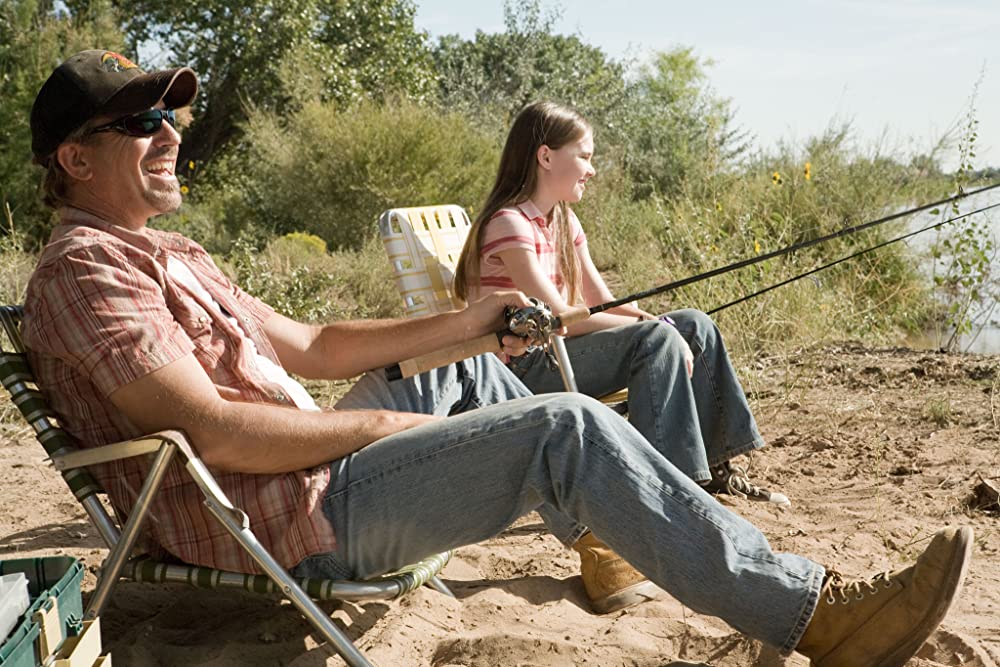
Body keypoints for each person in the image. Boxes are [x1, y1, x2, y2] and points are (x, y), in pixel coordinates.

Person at [21, 49, 972, 667]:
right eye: (142, 123)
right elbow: (217, 434)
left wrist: (472, 322)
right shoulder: (84, 269)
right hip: (283, 518)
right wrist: (379, 425)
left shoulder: (170, 251)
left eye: (171, 118)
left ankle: (614, 540)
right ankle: (815, 616)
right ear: (74, 159)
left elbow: (316, 346)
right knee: (563, 426)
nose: (170, 135)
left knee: (474, 371)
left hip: (303, 473)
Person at [454, 100, 788, 507]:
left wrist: (656, 320)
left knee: (693, 324)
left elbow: (603, 303)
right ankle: (673, 487)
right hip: (522, 368)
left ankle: (717, 469)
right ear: (546, 157)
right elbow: (558, 320)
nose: (592, 169)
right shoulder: (510, 223)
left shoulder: (564, 222)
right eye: (584, 156)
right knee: (656, 340)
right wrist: (655, 331)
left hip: (557, 354)